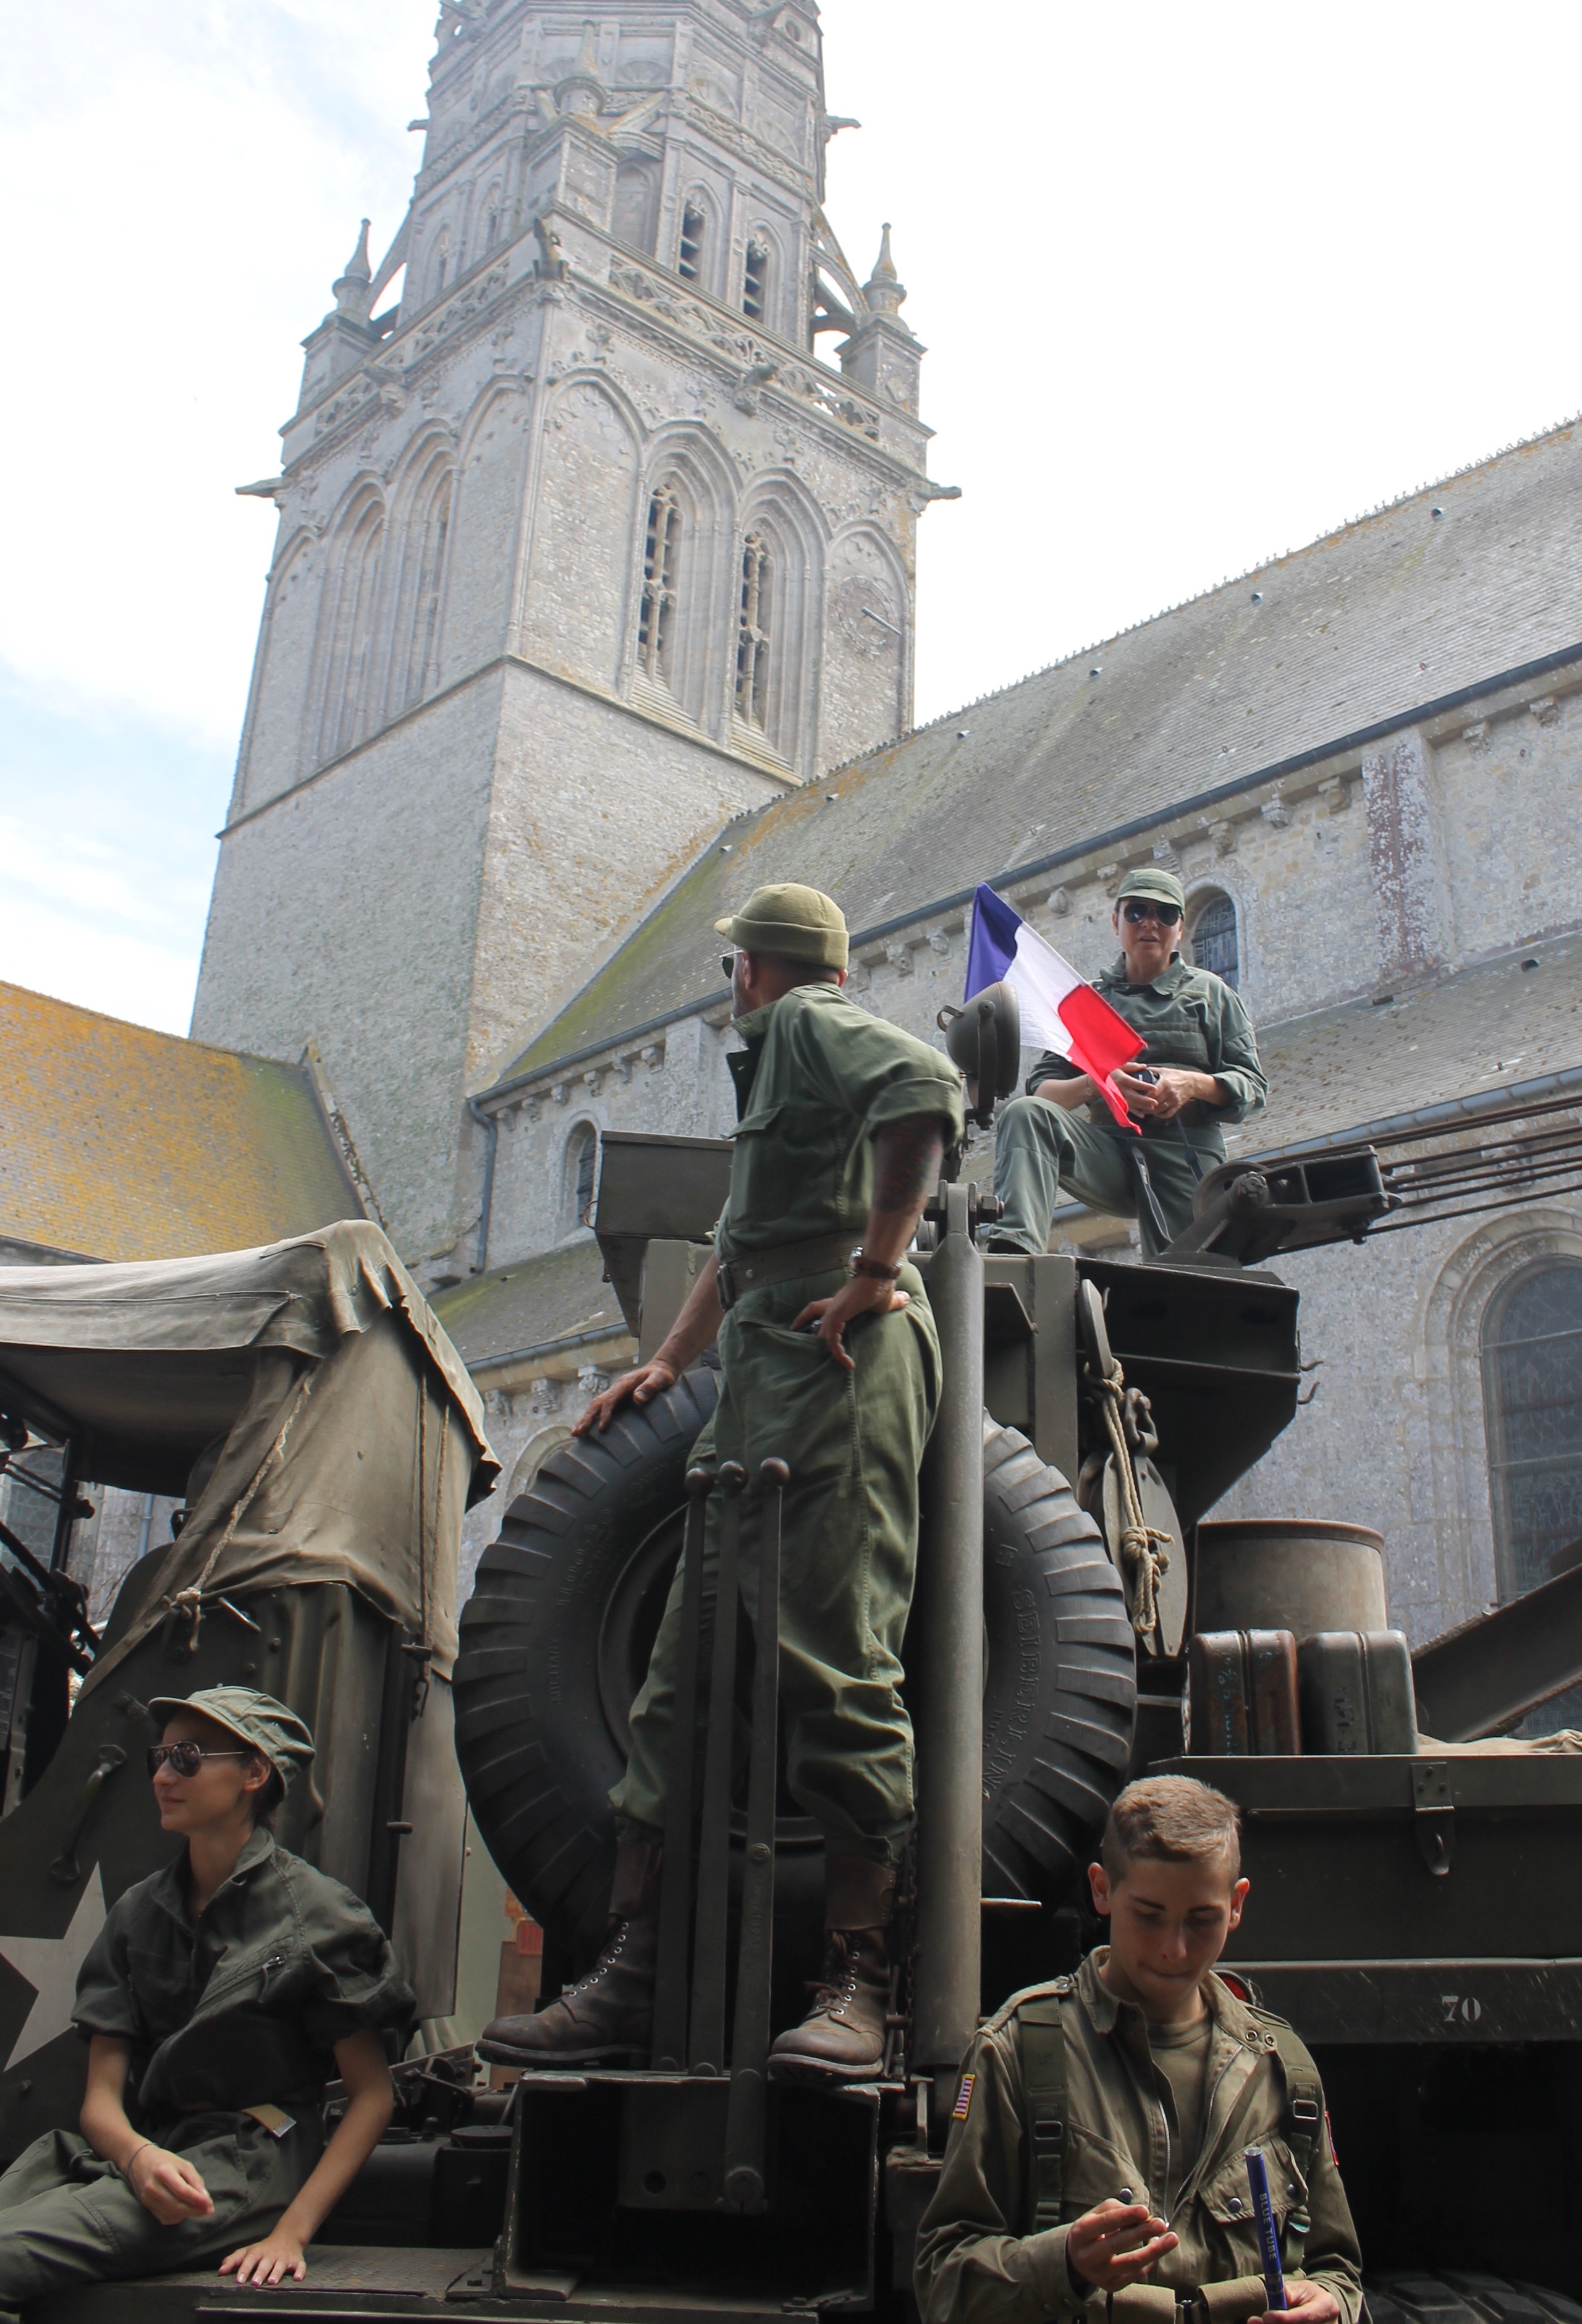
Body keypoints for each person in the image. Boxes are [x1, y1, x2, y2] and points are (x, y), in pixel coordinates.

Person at [478, 881, 965, 2084]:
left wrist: (874, 1269)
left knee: (836, 1658)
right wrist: (666, 1362)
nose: (731, 981)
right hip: (761, 1367)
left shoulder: (804, 1022)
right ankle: (637, 1971)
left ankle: (859, 1979)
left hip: (837, 1360)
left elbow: (925, 1093)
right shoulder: (777, 1067)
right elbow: (736, 1249)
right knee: (682, 1679)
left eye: (734, 963)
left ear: (753, 967)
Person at [0, 1687, 413, 2309]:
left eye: (188, 1758)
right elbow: (101, 2103)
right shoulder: (138, 1913)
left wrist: (291, 2234)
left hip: (247, 2160)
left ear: (255, 1773)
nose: (163, 1776)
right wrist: (138, 2158)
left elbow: (372, 2095)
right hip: (143, 2153)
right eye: (160, 1758)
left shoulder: (319, 1919)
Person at [915, 1775, 1362, 2324]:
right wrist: (1064, 2263)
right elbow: (942, 2282)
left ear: (1237, 1904)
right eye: (1149, 1915)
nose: (1174, 1949)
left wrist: (1331, 2304)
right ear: (1102, 1890)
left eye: (1202, 1920)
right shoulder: (1020, 2054)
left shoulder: (1282, 2071)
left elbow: (1337, 2271)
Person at [985, 869, 1266, 1257]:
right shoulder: (1089, 1002)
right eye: (1137, 912)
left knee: (1185, 1277)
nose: (1150, 923)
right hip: (1108, 1153)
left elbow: (1252, 1085)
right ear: (1116, 922)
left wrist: (1191, 1085)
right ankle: (1014, 1252)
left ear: (1180, 928)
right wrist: (1099, 1084)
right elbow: (1043, 1092)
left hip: (1184, 1154)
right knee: (1025, 1113)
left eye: (1165, 914)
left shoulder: (1210, 995)